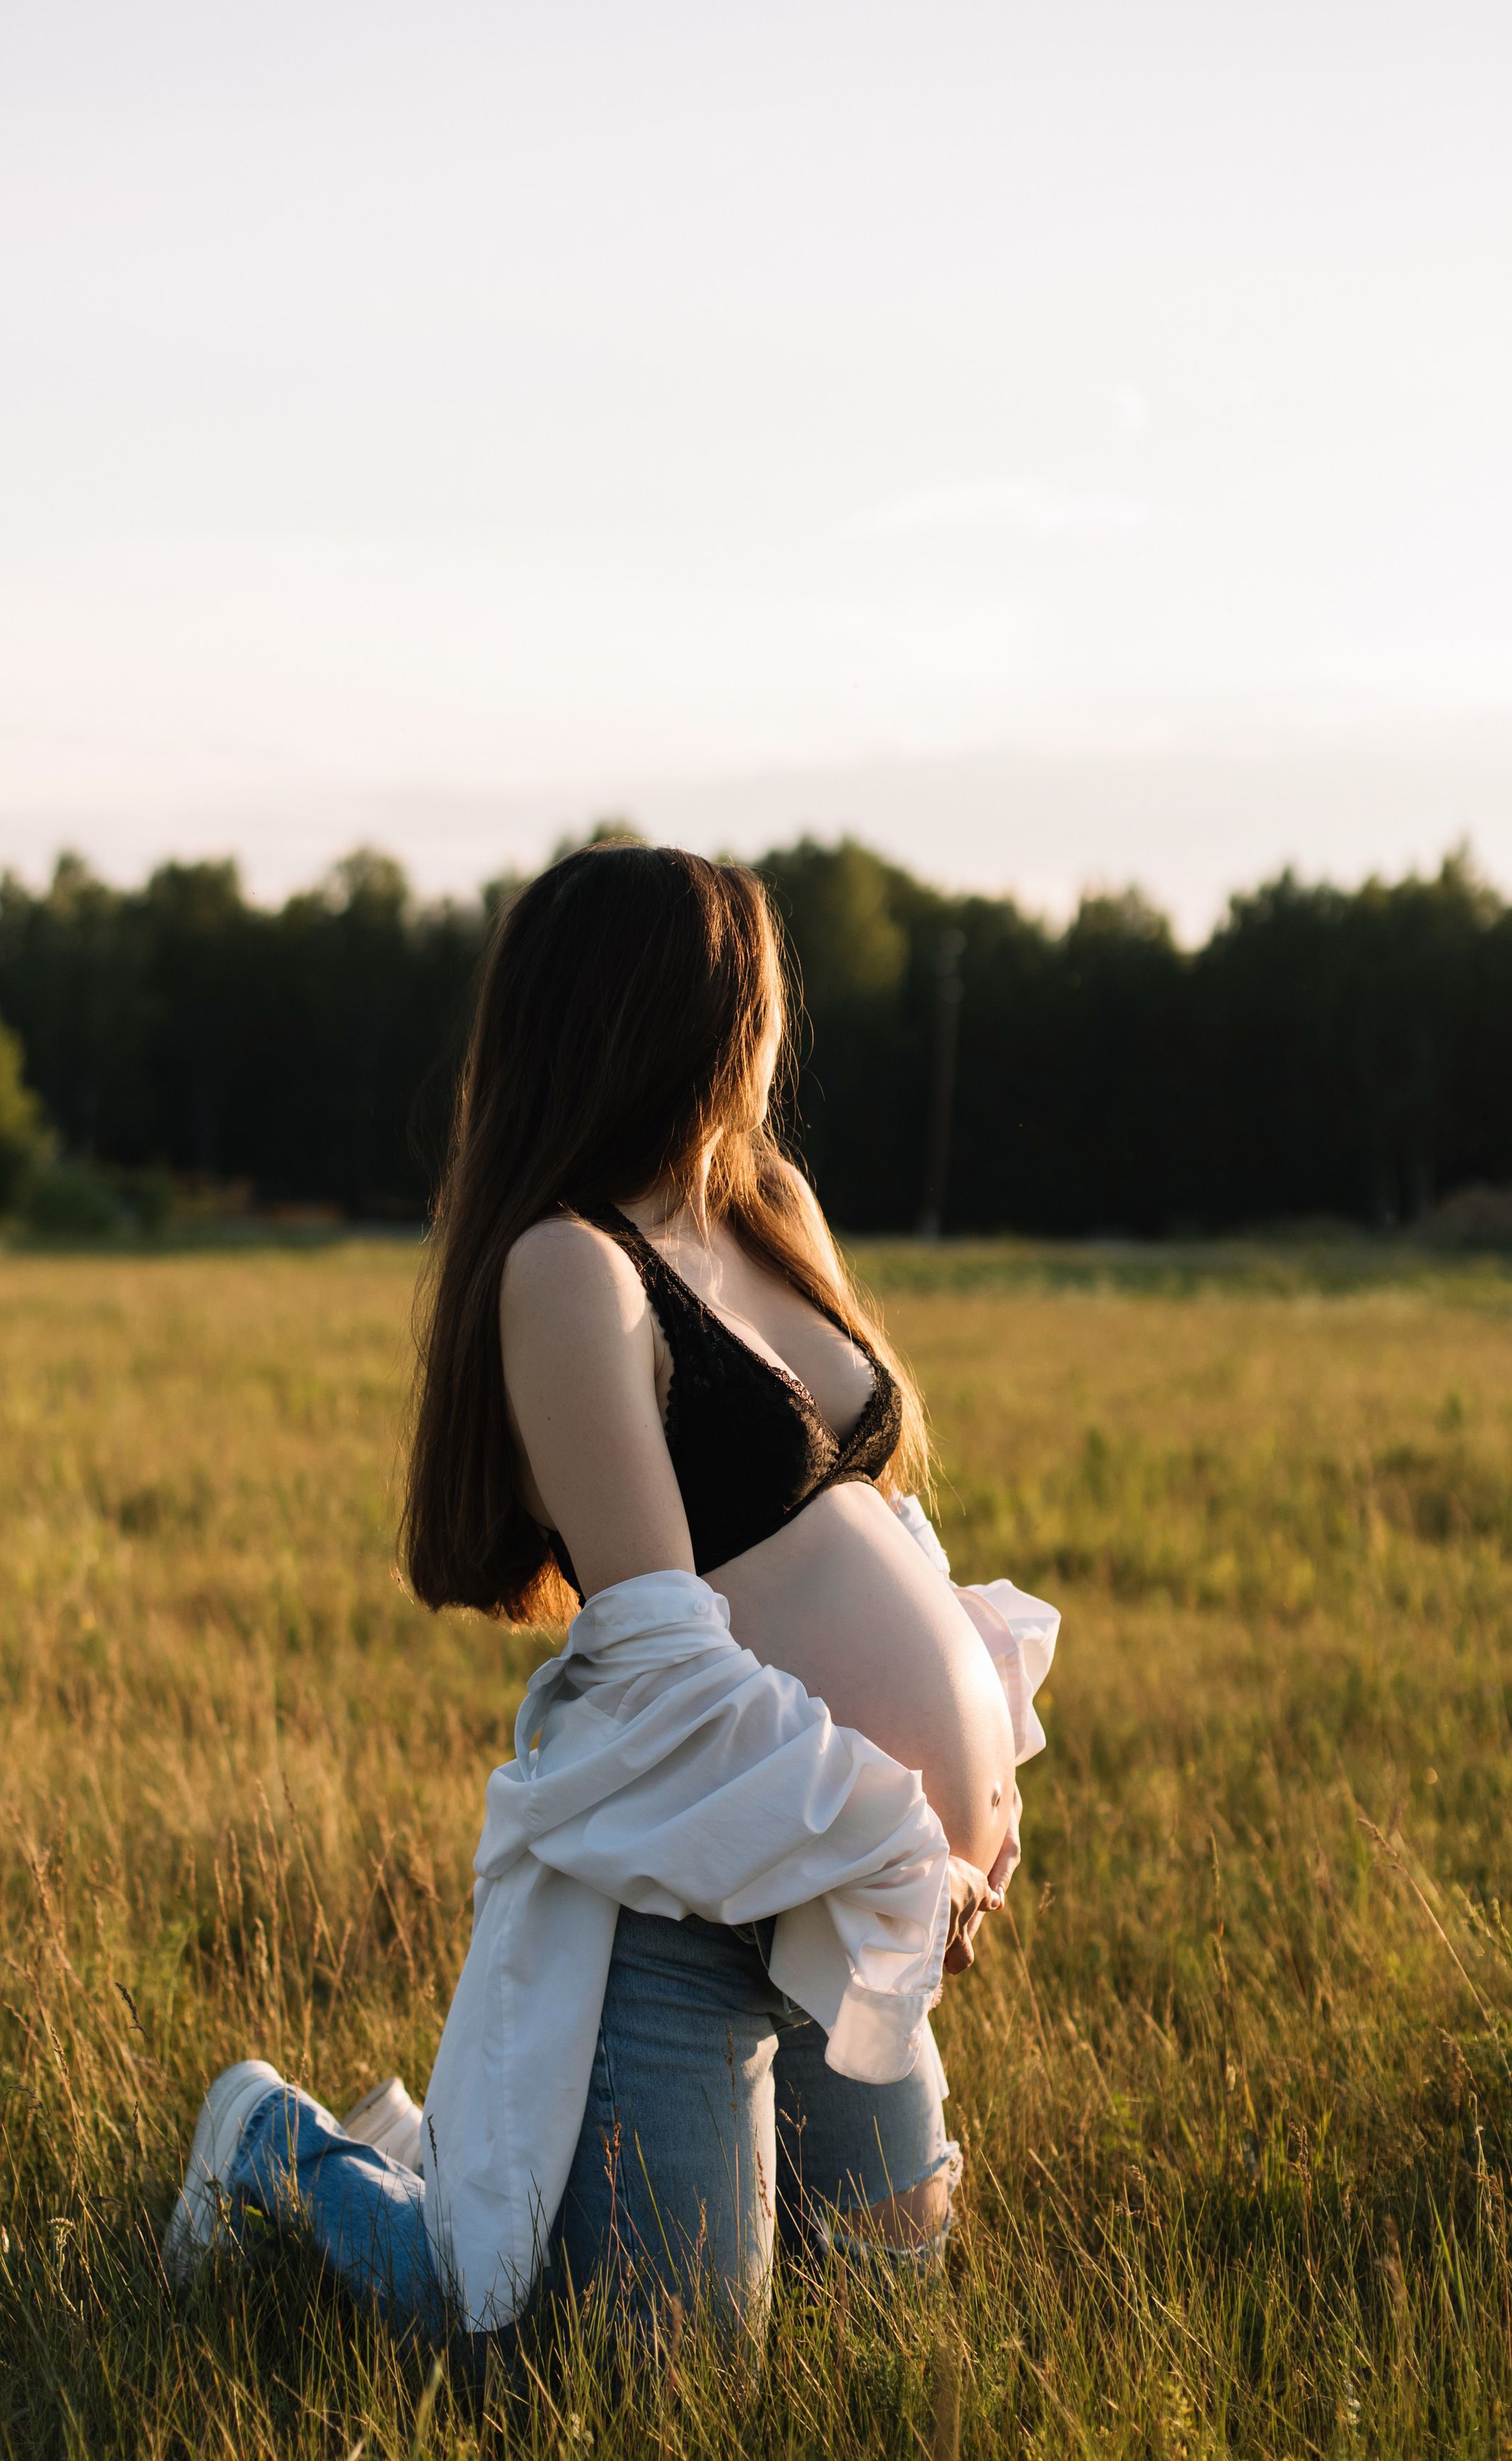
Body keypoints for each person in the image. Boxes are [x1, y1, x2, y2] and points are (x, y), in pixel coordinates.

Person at [165, 845, 1057, 2348]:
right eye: (754, 993)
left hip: (848, 1896)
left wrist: (978, 1779)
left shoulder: (767, 1205)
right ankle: (286, 2152)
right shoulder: (568, 1267)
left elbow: (876, 1530)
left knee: (878, 2328)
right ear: (677, 1011)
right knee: (638, 2380)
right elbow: (663, 1664)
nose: (776, 1031)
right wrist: (906, 1834)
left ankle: (450, 2149)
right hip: (685, 1897)